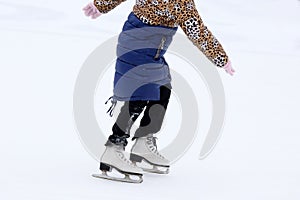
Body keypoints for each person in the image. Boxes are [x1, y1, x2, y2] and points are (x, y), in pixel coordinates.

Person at [83, 0, 235, 183]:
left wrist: (101, 5)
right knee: (139, 96)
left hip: (147, 48)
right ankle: (114, 148)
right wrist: (221, 58)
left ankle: (143, 143)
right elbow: (198, 32)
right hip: (139, 46)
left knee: (163, 87)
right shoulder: (181, 2)